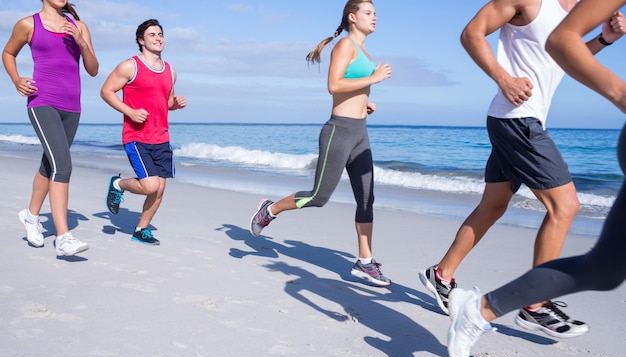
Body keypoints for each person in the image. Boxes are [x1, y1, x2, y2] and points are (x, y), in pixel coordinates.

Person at [418, 0, 620, 339]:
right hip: (517, 119)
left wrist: (605, 40)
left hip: (518, 120)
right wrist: (504, 78)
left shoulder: (574, 13)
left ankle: (441, 274)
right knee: (565, 205)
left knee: (493, 206)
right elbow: (471, 33)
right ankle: (535, 303)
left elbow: (564, 63)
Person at [249, 0, 392, 287]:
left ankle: (365, 262)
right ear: (352, 17)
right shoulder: (345, 46)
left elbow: (350, 88)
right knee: (318, 196)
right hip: (339, 131)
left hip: (360, 132)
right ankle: (270, 210)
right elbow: (334, 85)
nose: (374, 17)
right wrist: (374, 77)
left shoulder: (363, 50)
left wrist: (365, 102)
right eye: (368, 13)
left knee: (366, 198)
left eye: (375, 13)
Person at [2, 0, 98, 257]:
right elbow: (8, 53)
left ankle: (31, 216)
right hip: (42, 101)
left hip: (72, 106)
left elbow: (92, 69)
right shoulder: (27, 24)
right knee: (63, 166)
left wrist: (82, 41)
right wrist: (16, 79)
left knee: (50, 164)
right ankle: (64, 237)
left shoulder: (78, 26)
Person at [101, 19, 186, 245]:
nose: (158, 38)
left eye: (160, 34)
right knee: (150, 185)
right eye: (152, 35)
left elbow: (166, 102)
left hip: (162, 138)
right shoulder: (130, 66)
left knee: (158, 190)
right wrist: (129, 111)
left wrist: (174, 105)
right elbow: (107, 91)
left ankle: (141, 230)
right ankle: (117, 185)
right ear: (141, 40)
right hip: (137, 137)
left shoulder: (170, 71)